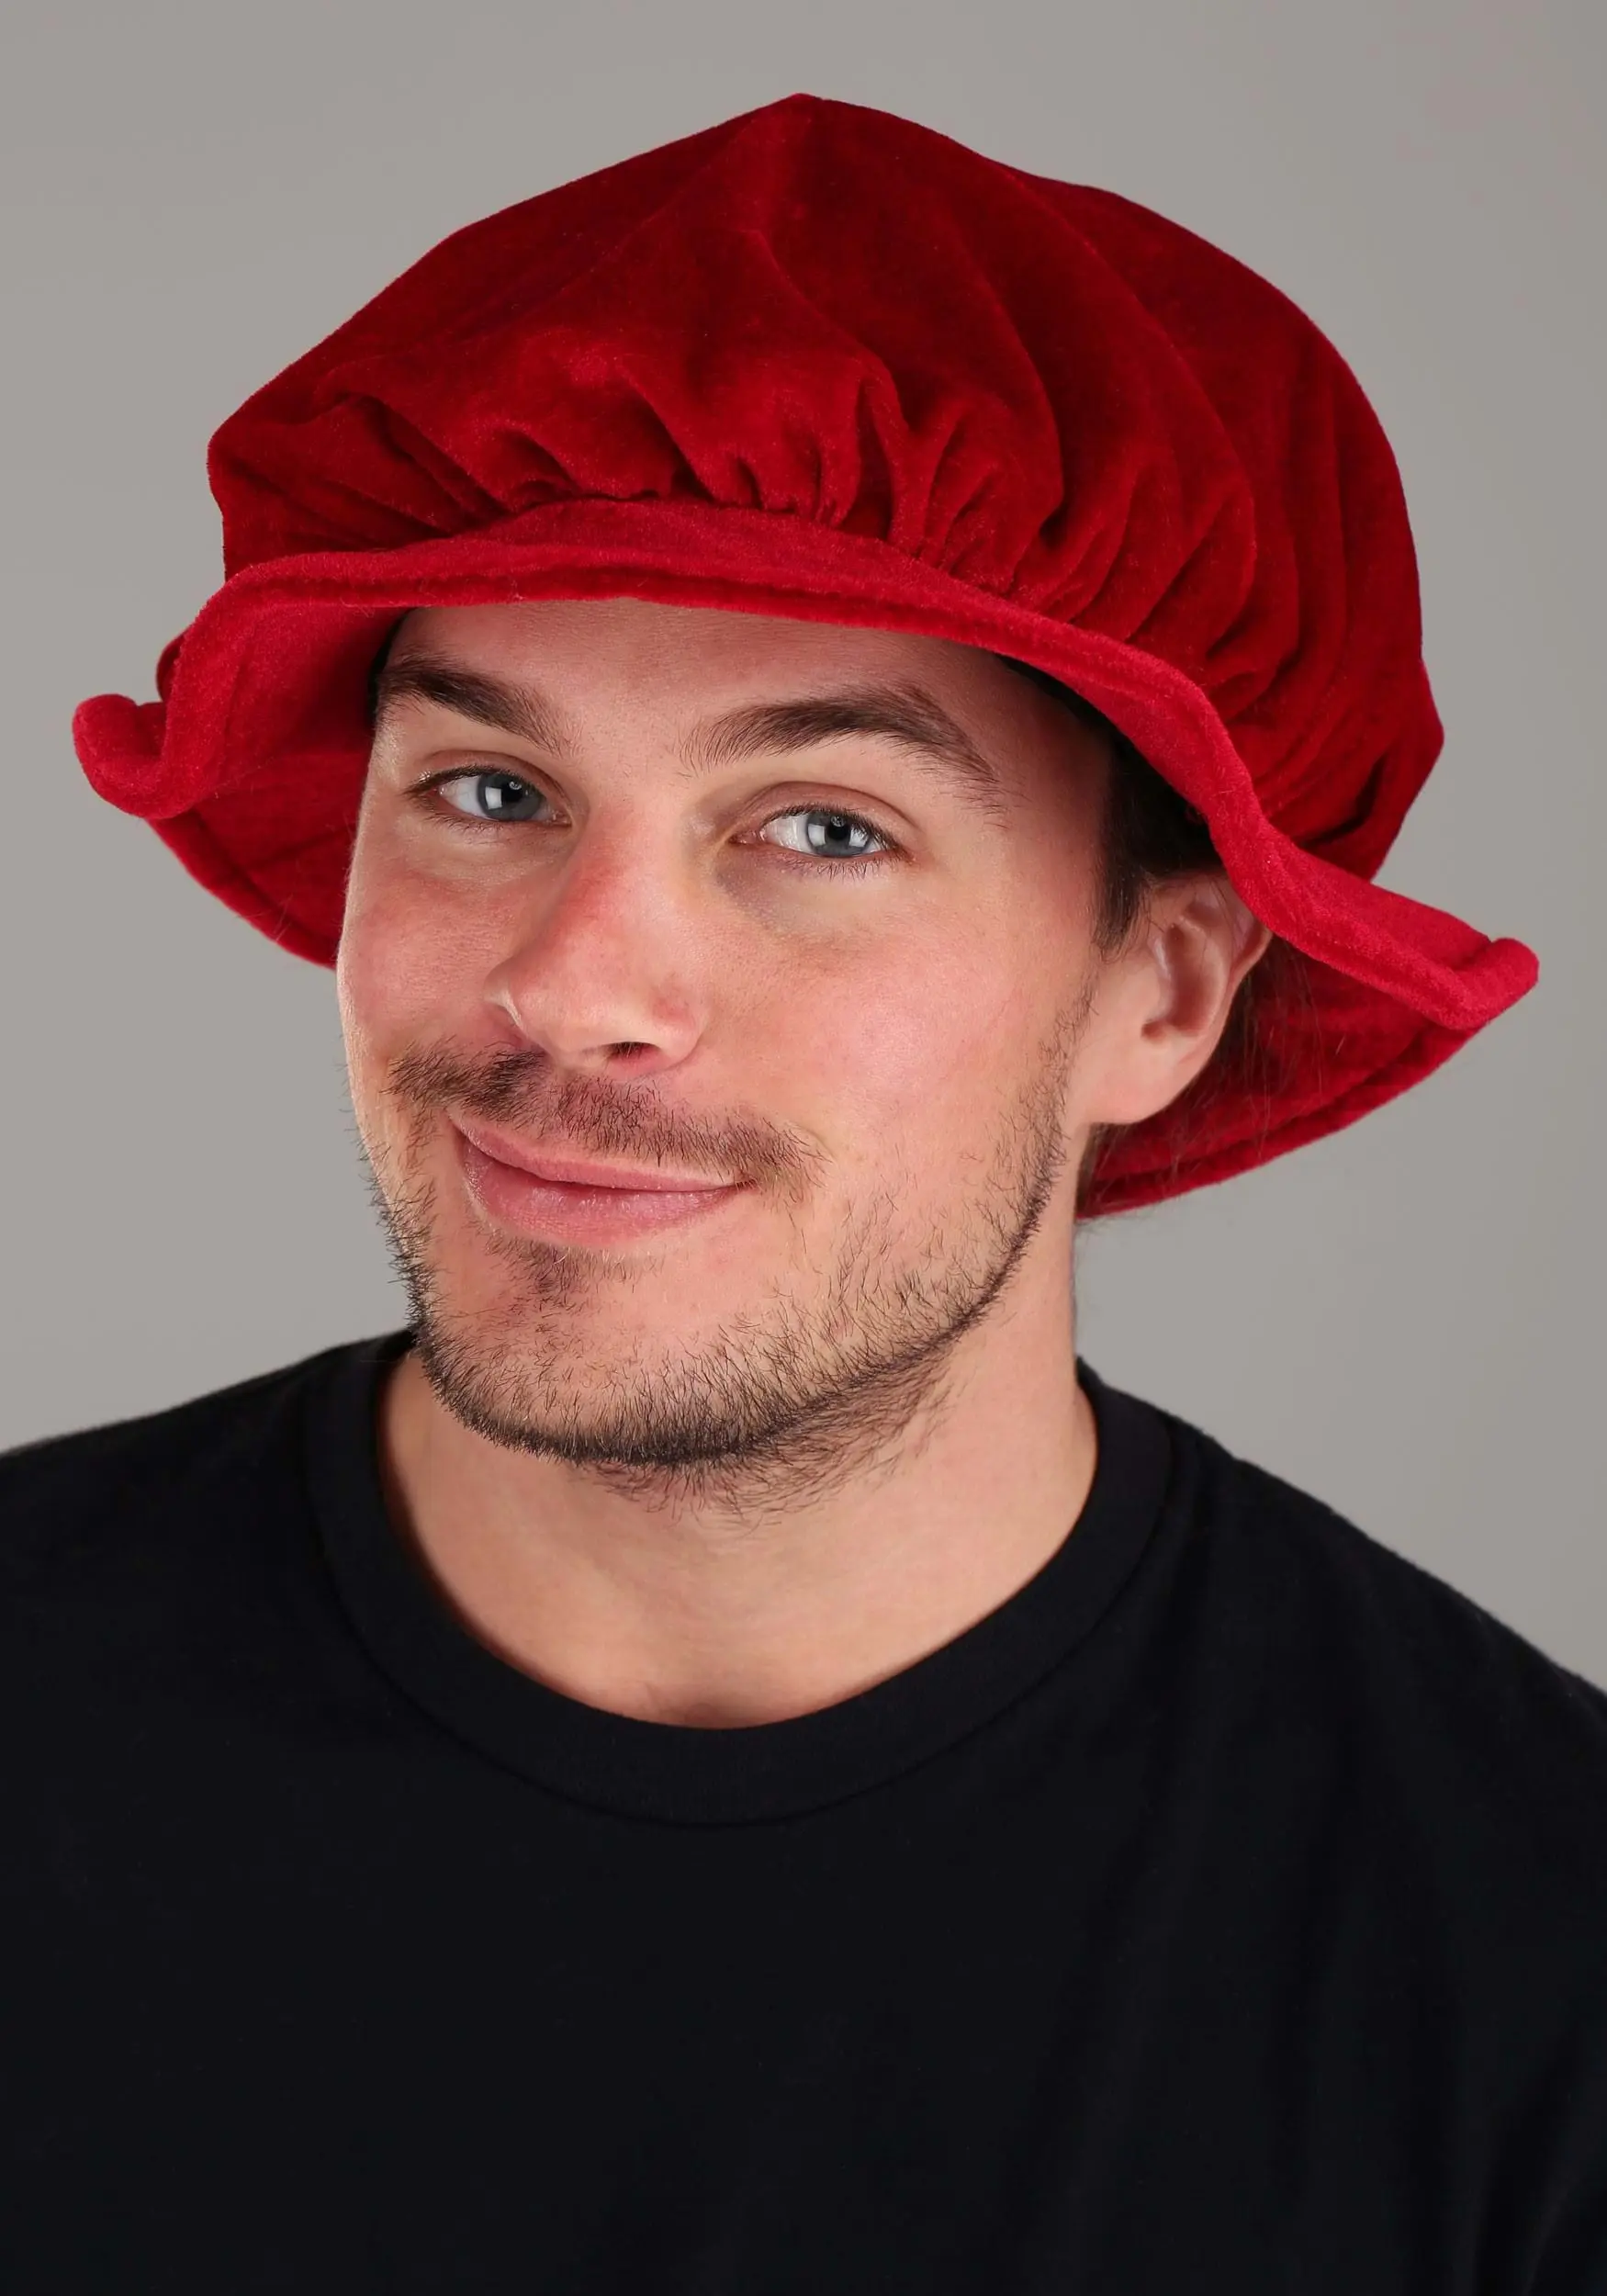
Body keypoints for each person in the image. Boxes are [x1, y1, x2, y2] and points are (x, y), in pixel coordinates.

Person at [6, 91, 1602, 2293]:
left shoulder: (1528, 1971)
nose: (577, 985)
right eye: (487, 789)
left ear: (1158, 992)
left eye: (822, 828)